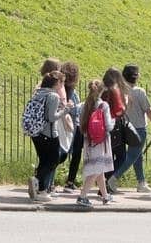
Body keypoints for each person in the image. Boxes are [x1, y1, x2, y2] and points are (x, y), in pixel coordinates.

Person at [109, 64, 151, 193]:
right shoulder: (139, 91)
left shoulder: (120, 90)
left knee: (137, 156)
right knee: (132, 156)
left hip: (124, 127)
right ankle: (113, 178)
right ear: (136, 76)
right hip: (139, 128)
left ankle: (141, 182)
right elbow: (148, 110)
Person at [26, 70, 69, 202]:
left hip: (36, 133)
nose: (62, 85)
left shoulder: (39, 93)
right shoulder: (53, 96)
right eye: (62, 82)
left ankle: (41, 189)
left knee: (44, 160)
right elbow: (51, 117)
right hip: (49, 134)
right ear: (56, 82)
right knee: (54, 160)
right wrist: (65, 110)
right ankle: (38, 182)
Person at [77, 79, 115, 207]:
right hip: (101, 141)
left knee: (100, 168)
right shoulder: (103, 105)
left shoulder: (84, 105)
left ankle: (105, 196)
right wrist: (114, 120)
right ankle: (82, 196)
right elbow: (108, 126)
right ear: (102, 91)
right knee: (97, 169)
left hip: (89, 140)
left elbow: (80, 122)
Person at [59, 61, 83, 192]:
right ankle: (70, 181)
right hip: (72, 125)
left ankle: (43, 175)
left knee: (62, 153)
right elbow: (74, 110)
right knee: (73, 154)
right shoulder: (71, 92)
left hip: (63, 124)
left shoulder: (59, 88)